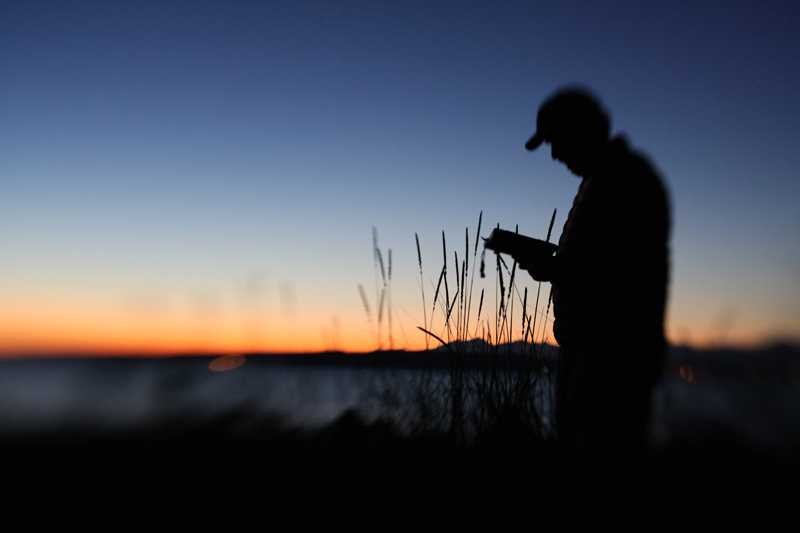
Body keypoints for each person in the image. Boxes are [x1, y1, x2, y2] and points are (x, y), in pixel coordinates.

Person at [517, 88, 670, 502]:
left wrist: (555, 268)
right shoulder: (600, 181)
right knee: (579, 470)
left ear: (582, 130)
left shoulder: (624, 178)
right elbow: (602, 259)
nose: (553, 155)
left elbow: (630, 270)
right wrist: (556, 263)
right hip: (588, 352)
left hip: (609, 356)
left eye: (555, 142)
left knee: (598, 479)